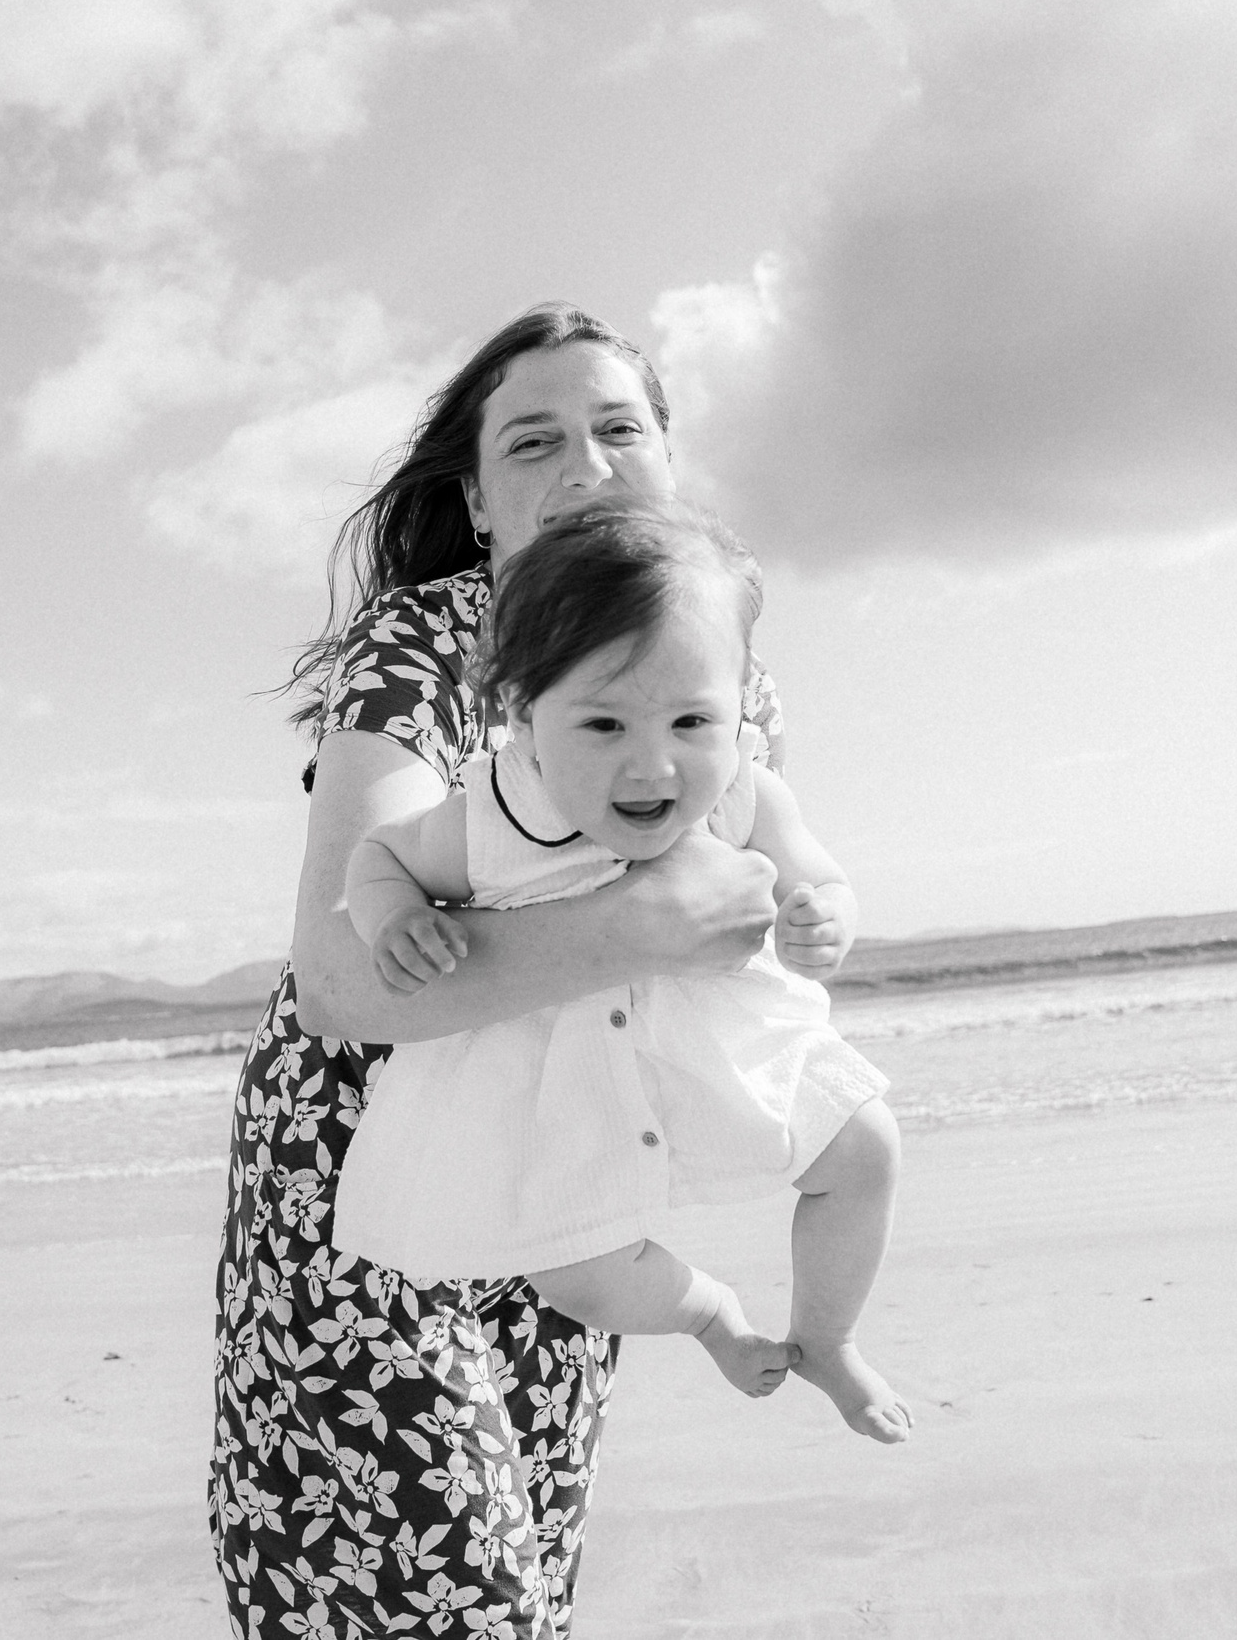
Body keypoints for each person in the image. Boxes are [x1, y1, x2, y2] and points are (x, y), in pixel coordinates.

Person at [211, 304, 787, 1639]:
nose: (583, 463)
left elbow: (744, 899)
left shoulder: (717, 654)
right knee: (438, 1600)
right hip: (370, 1179)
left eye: (617, 429)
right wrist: (645, 922)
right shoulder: (427, 644)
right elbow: (343, 980)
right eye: (534, 441)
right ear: (475, 497)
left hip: (564, 1157)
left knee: (523, 1566)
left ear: (666, 458)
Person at [334, 506, 908, 1442]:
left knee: (866, 1146)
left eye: (693, 719)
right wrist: (394, 914)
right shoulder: (490, 815)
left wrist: (824, 915)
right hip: (562, 1084)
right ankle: (712, 1317)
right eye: (601, 722)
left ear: (741, 701)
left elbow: (819, 872)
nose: (653, 762)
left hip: (715, 1046)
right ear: (521, 711)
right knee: (580, 1273)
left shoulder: (743, 789)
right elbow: (376, 858)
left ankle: (829, 1337)